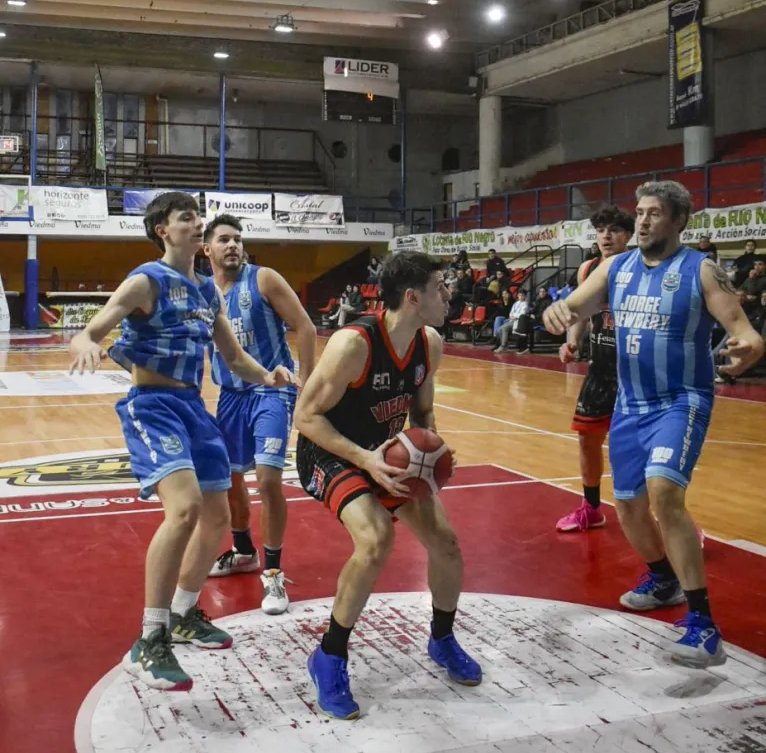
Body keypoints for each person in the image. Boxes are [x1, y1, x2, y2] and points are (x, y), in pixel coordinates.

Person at [69, 192, 295, 691]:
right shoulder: (146, 281)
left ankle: (185, 613)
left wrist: (270, 377)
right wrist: (86, 341)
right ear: (163, 231)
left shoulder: (207, 293)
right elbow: (95, 328)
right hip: (153, 406)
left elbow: (234, 358)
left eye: (198, 217)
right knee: (186, 509)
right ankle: (150, 638)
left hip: (195, 408)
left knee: (218, 515)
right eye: (186, 218)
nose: (197, 224)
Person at [544, 180, 763, 667]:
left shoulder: (701, 271)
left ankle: (704, 623)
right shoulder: (616, 267)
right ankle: (663, 579)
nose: (642, 221)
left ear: (679, 220)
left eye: (654, 214)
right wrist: (557, 312)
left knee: (664, 492)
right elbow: (574, 305)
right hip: (630, 404)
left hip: (681, 400)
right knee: (628, 507)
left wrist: (748, 348)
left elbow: (745, 332)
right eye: (639, 213)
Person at [294, 250, 482, 719]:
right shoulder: (353, 343)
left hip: (388, 452)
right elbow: (305, 417)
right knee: (376, 538)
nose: (449, 293)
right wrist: (363, 459)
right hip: (333, 451)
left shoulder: (430, 342)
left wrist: (431, 449)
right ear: (414, 297)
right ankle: (329, 656)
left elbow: (421, 411)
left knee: (447, 543)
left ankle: (442, 640)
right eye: (441, 286)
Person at [203, 214, 316, 614]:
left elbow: (305, 326)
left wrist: (308, 384)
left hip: (271, 390)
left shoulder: (263, 278)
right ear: (207, 249)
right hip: (230, 396)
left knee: (268, 480)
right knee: (229, 479)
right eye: (224, 240)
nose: (233, 245)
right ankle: (244, 550)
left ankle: (272, 573)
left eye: (238, 239)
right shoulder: (203, 293)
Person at [555, 205, 634, 532]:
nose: (606, 236)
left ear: (628, 235)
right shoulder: (588, 269)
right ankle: (591, 508)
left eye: (614, 229)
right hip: (601, 369)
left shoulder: (640, 268)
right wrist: (572, 341)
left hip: (635, 372)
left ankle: (672, 520)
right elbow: (581, 315)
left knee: (642, 453)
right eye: (601, 230)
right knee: (587, 439)